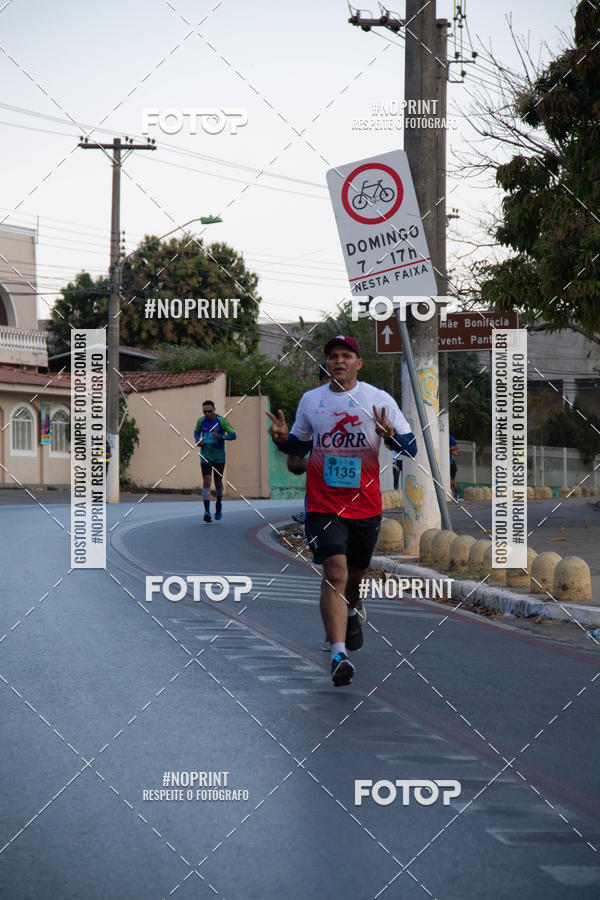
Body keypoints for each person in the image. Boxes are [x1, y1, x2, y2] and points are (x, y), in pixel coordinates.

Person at [266, 335, 417, 687]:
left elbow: (408, 448)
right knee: (335, 572)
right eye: (333, 356)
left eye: (347, 355)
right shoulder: (311, 401)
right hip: (323, 504)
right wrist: (280, 439)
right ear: (327, 363)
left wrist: (390, 434)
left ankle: (352, 610)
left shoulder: (378, 400)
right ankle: (338, 654)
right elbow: (299, 447)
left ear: (358, 363)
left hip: (365, 505)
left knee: (357, 573)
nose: (339, 361)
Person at [194, 401, 236, 522]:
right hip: (205, 455)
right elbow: (196, 431)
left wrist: (222, 437)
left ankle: (218, 502)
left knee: (218, 482)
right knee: (206, 481)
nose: (207, 413)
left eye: (209, 411)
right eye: (205, 411)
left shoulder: (222, 421)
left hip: (219, 457)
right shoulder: (200, 421)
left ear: (214, 409)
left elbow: (233, 435)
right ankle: (207, 511)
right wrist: (198, 441)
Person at [450, 434, 458, 500]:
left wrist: (448, 449)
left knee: (451, 479)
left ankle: (455, 494)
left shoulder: (449, 437)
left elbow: (456, 447)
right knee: (452, 480)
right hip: (449, 463)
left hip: (451, 463)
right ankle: (455, 494)